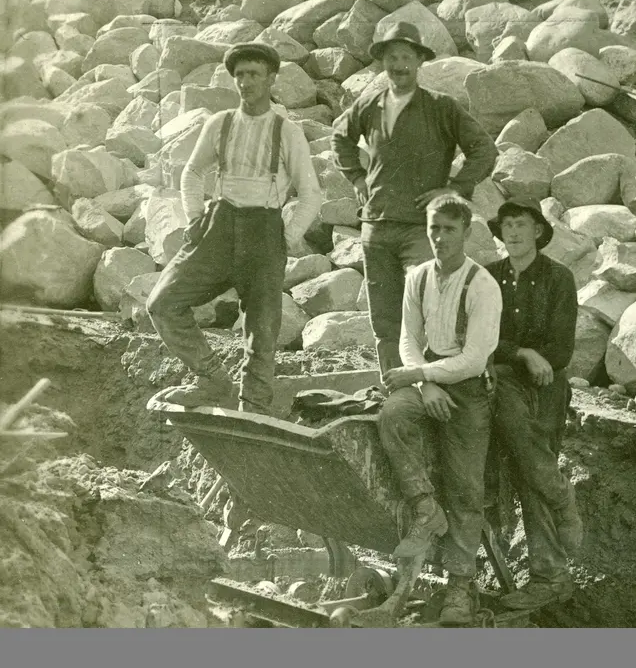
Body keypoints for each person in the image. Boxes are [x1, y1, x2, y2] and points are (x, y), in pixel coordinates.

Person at [147, 43, 320, 414]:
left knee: (262, 329)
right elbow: (192, 172)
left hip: (264, 230)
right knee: (162, 303)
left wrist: (286, 237)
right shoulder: (220, 123)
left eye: (254, 74)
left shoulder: (286, 131)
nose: (246, 82)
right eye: (239, 74)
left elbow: (310, 195)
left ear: (271, 78)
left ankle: (253, 405)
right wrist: (195, 217)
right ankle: (211, 379)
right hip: (218, 226)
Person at [332, 22, 498, 380]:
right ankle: (394, 391)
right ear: (383, 63)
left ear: (419, 61)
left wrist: (452, 188)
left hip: (422, 230)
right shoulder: (369, 104)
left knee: (427, 309)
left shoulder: (441, 107)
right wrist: (358, 178)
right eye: (392, 57)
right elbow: (340, 138)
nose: (399, 65)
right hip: (376, 227)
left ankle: (430, 385)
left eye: (407, 56)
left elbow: (484, 150)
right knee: (385, 320)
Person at [372, 193, 503, 626]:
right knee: (393, 413)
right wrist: (424, 382)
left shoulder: (482, 285)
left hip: (467, 389)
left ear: (466, 231)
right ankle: (426, 507)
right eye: (433, 229)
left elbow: (474, 360)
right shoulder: (419, 277)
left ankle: (461, 588)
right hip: (427, 380)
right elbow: (408, 339)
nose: (440, 238)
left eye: (449, 229)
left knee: (466, 486)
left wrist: (425, 376)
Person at [482, 201, 585, 612]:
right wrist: (521, 351)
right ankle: (562, 499)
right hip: (503, 382)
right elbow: (480, 336)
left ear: (539, 231)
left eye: (521, 225)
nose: (513, 232)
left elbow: (560, 350)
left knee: (529, 474)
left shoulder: (559, 278)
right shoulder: (488, 278)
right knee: (522, 464)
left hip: (545, 389)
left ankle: (550, 577)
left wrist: (533, 359)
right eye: (506, 226)